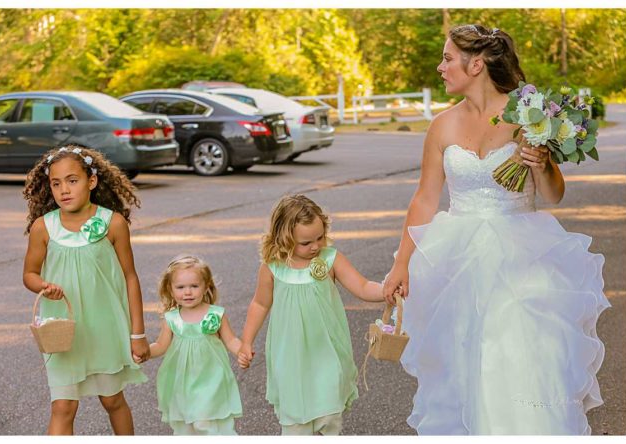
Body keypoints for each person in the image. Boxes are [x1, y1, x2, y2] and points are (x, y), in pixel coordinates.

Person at [381, 24, 609, 435]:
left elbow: (554, 195)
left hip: (521, 256)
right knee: (462, 363)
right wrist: (402, 263)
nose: (441, 67)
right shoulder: (442, 126)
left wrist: (541, 165)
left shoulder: (528, 116)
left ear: (477, 63)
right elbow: (425, 199)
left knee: (517, 360)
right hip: (458, 261)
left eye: (448, 58)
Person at [22, 145, 149, 435]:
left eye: (72, 180)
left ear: (91, 181)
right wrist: (43, 285)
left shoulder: (113, 223)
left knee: (113, 399)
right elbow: (29, 274)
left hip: (105, 328)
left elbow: (130, 277)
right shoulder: (44, 227)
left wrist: (138, 334)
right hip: (62, 331)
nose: (64, 190)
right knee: (63, 407)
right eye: (56, 183)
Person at [238, 194, 390, 435]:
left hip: (326, 350)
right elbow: (259, 304)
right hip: (289, 355)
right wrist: (246, 342)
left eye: (319, 238)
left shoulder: (330, 260)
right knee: (296, 420)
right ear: (284, 238)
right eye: (306, 242)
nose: (316, 246)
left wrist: (386, 289)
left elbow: (362, 287)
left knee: (329, 413)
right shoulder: (272, 268)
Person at [139, 254, 243, 435]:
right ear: (170, 290)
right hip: (182, 381)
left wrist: (242, 351)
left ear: (206, 287)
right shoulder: (171, 317)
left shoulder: (215, 314)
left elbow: (230, 340)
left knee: (206, 422)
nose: (187, 292)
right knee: (187, 425)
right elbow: (161, 345)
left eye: (194, 286)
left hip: (211, 377)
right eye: (180, 287)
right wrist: (145, 351)